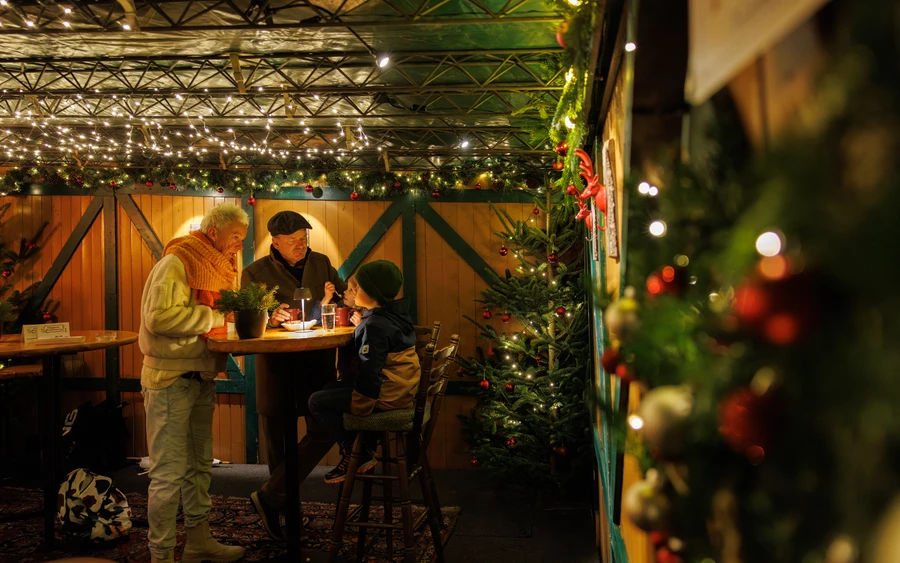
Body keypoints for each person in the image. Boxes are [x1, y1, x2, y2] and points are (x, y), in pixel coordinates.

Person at [139, 203, 248, 563]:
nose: (239, 245)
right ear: (213, 233)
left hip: (200, 375)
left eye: (243, 238)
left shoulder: (218, 268)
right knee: (168, 474)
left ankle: (198, 541)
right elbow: (159, 318)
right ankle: (162, 555)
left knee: (199, 466)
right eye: (235, 237)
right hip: (170, 378)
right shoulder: (177, 262)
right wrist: (215, 316)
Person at [241, 210, 347, 540]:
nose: (301, 246)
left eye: (304, 239)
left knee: (324, 429)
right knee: (278, 445)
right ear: (275, 242)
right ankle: (284, 519)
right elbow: (244, 318)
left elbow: (343, 298)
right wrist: (270, 318)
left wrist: (333, 301)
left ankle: (270, 497)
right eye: (293, 241)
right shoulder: (254, 273)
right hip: (277, 370)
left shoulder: (322, 262)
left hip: (318, 365)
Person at [308, 260, 420, 484]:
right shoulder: (392, 315)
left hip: (387, 396)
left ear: (370, 292)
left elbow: (371, 373)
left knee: (316, 402)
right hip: (402, 391)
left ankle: (356, 453)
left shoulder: (373, 326)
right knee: (330, 388)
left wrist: (361, 407)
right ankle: (364, 448)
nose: (350, 292)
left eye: (353, 288)